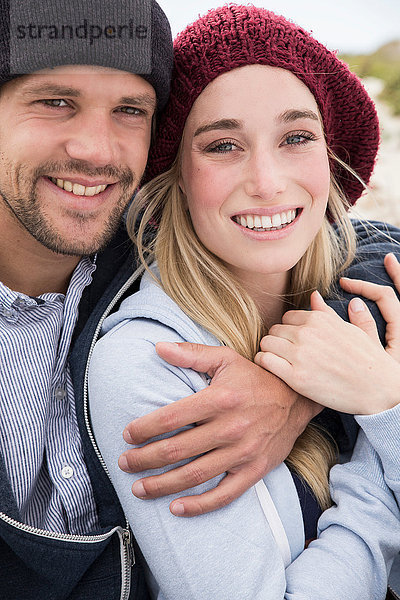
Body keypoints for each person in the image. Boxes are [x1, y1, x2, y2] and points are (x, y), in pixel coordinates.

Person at [88, 5, 400, 599]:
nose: (266, 180)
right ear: (176, 173)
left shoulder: (377, 298)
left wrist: (378, 401)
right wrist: (382, 426)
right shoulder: (148, 365)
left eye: (296, 137)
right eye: (223, 145)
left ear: (330, 156)